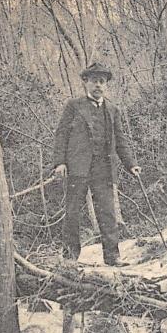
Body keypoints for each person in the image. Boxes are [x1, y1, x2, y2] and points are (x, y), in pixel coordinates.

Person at [53, 63, 141, 266]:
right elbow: (61, 135)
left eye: (102, 82)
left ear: (106, 85)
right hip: (78, 168)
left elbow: (120, 140)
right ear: (86, 83)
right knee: (73, 211)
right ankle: (69, 257)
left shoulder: (113, 109)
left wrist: (131, 164)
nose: (98, 85)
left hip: (103, 169)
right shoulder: (73, 106)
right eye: (94, 81)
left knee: (107, 212)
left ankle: (112, 257)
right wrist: (60, 163)